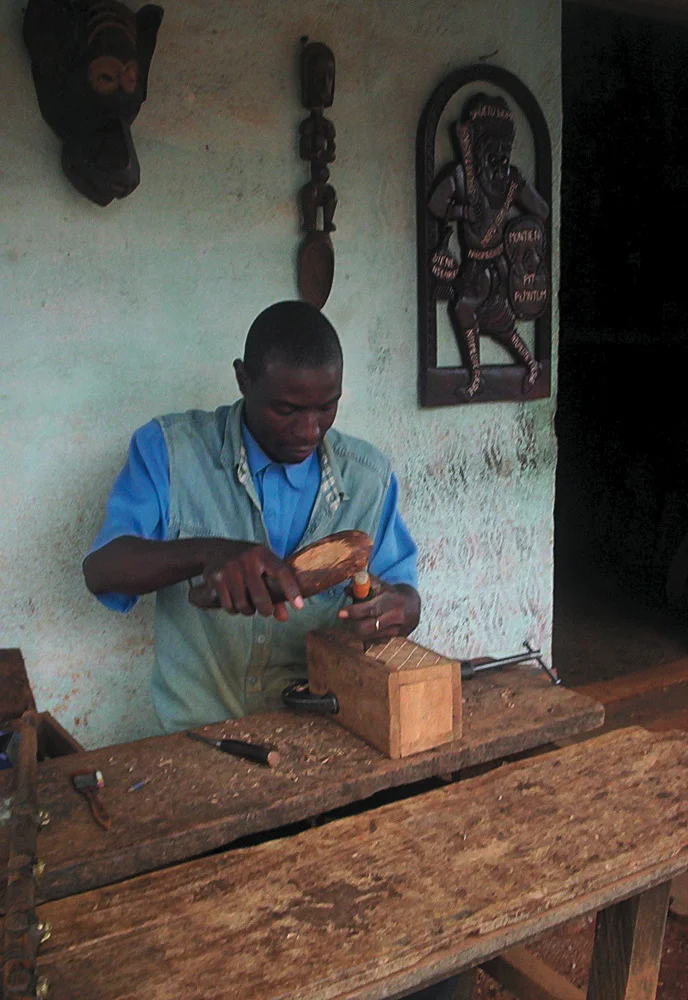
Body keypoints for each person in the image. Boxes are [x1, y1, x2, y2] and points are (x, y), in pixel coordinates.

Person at [83, 300, 421, 734]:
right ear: (243, 379)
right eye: (287, 410)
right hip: (197, 739)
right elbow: (102, 570)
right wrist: (209, 554)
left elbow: (403, 594)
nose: (310, 430)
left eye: (326, 407)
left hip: (325, 732)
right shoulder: (171, 453)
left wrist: (400, 610)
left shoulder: (368, 478)